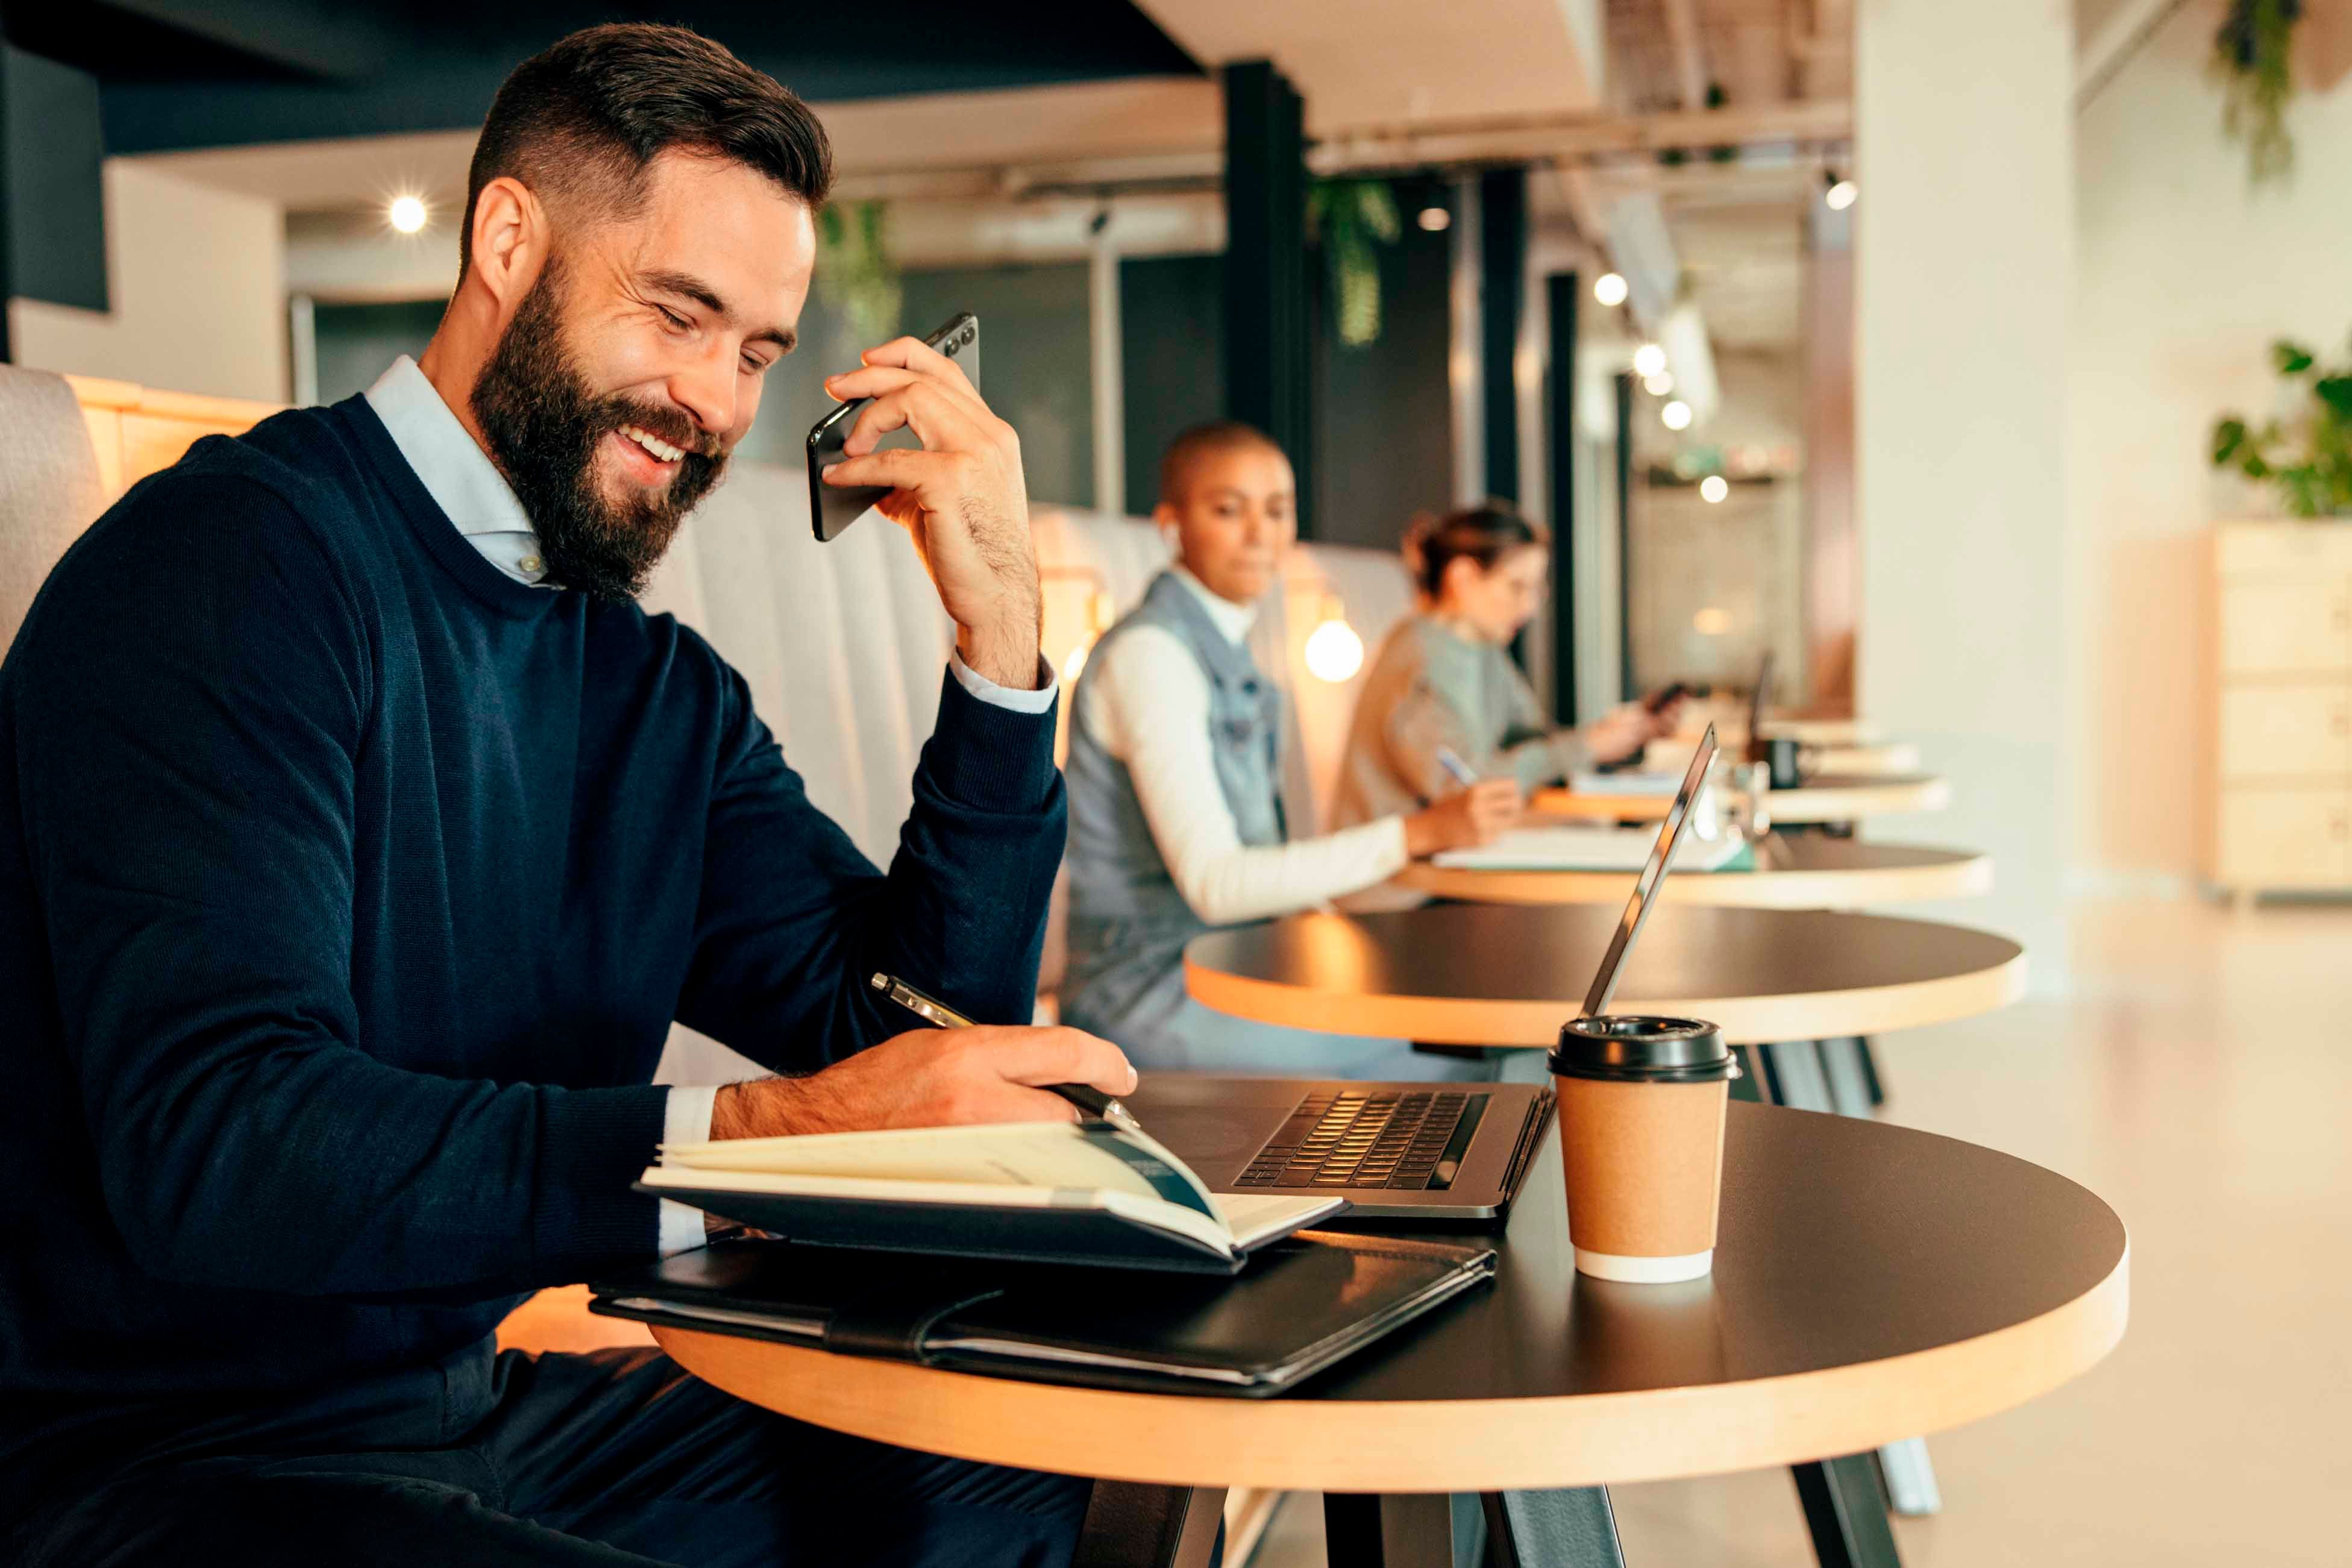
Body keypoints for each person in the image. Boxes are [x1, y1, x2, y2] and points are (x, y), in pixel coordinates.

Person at [0, 25, 1131, 1568]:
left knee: (1052, 1463)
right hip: (155, 1465)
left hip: (463, 1412)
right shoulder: (229, 565)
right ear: (506, 241)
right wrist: (743, 1139)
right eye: (678, 314)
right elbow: (224, 1141)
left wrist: (999, 638)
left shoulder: (653, 691)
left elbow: (911, 1031)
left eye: (756, 353)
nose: (715, 401)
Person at [1059, 422, 1520, 1076]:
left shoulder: (1227, 646)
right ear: (1171, 524)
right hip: (1149, 992)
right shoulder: (1151, 656)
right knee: (1469, 1053)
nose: (1261, 536)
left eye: (1277, 511)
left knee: (1472, 1012)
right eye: (1229, 510)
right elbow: (1216, 885)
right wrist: (1417, 833)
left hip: (1239, 963)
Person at [1332, 500, 1679, 832]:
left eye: (1536, 590)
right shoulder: (1419, 665)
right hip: (1400, 868)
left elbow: (1528, 739)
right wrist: (1583, 747)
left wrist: (1620, 737)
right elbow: (1466, 791)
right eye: (1516, 587)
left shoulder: (1484, 649)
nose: (1530, 608)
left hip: (1455, 851)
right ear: (1463, 578)